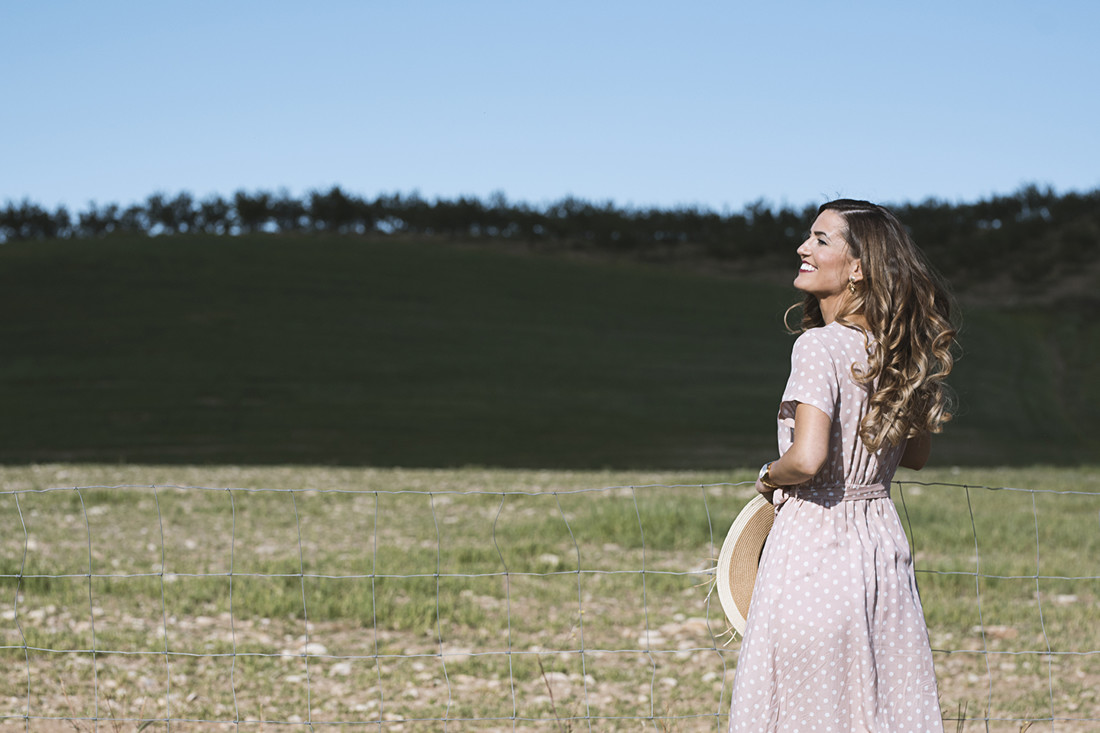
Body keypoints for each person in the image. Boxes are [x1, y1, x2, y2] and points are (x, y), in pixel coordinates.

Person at [727, 199, 955, 732]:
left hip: (814, 546)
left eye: (821, 239)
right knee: (876, 703)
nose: (803, 248)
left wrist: (767, 475)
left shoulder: (818, 347)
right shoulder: (896, 351)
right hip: (880, 544)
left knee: (806, 708)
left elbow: (806, 460)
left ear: (857, 268)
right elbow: (916, 456)